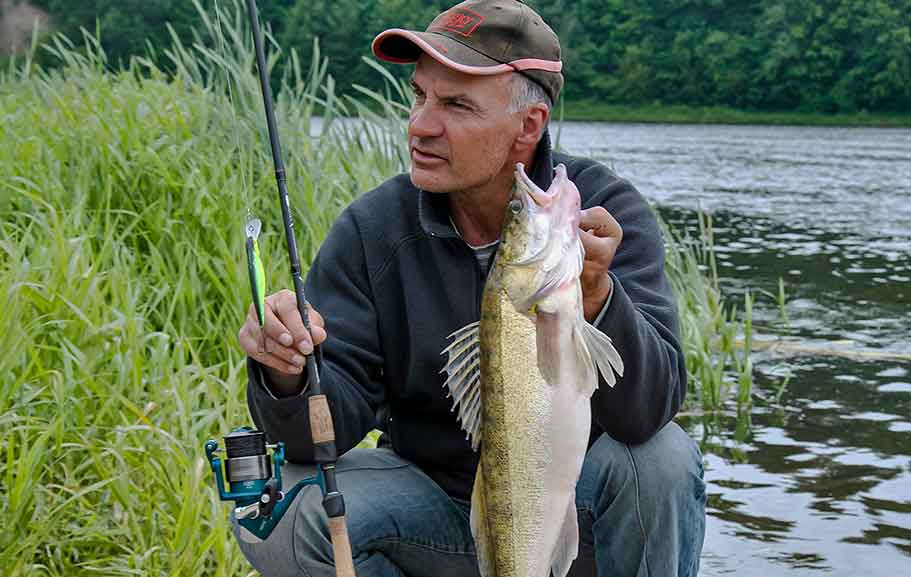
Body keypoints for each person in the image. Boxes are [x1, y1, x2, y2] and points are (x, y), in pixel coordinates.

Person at [232, 1, 706, 576]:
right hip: (429, 508)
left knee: (663, 460)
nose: (420, 125)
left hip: (566, 513)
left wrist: (599, 299)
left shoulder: (603, 214)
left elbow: (647, 413)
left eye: (456, 105)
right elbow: (321, 440)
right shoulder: (374, 229)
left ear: (528, 126)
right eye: (419, 97)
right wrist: (285, 371)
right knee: (284, 505)